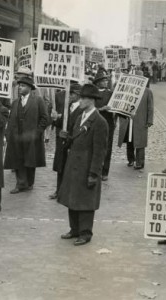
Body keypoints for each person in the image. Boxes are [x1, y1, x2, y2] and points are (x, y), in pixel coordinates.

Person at [58, 84, 108, 246]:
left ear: (92, 100)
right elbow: (73, 140)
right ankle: (74, 229)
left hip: (87, 165)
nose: (80, 100)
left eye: (84, 98)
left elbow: (100, 151)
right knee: (73, 197)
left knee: (85, 200)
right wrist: (65, 137)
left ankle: (85, 233)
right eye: (80, 97)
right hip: (74, 164)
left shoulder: (99, 122)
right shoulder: (80, 117)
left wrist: (94, 173)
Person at [4, 77, 48, 193]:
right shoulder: (15, 103)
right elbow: (10, 120)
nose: (20, 87)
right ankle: (20, 183)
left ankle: (29, 183)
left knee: (30, 160)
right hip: (17, 136)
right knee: (18, 160)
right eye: (19, 85)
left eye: (23, 85)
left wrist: (37, 132)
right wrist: (8, 134)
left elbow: (45, 118)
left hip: (31, 136)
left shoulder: (38, 100)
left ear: (29, 88)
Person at [49, 83, 83, 199]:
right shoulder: (67, 106)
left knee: (72, 168)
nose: (69, 96)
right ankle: (59, 190)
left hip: (72, 143)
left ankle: (70, 192)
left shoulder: (82, 109)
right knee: (61, 167)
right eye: (69, 94)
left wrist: (68, 135)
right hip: (62, 143)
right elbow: (61, 123)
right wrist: (55, 119)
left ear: (78, 95)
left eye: (72, 94)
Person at [118, 74, 154, 170]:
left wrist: (149, 120)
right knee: (130, 141)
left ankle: (140, 162)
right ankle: (131, 159)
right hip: (129, 120)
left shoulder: (147, 92)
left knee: (140, 142)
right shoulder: (129, 90)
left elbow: (150, 107)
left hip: (141, 121)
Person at [93, 68, 115, 181]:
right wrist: (102, 109)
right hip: (95, 123)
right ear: (98, 82)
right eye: (103, 80)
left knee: (107, 147)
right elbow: (90, 108)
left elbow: (116, 107)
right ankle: (95, 170)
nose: (106, 82)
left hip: (109, 123)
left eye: (107, 80)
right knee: (95, 146)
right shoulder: (93, 93)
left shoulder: (111, 93)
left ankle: (105, 172)